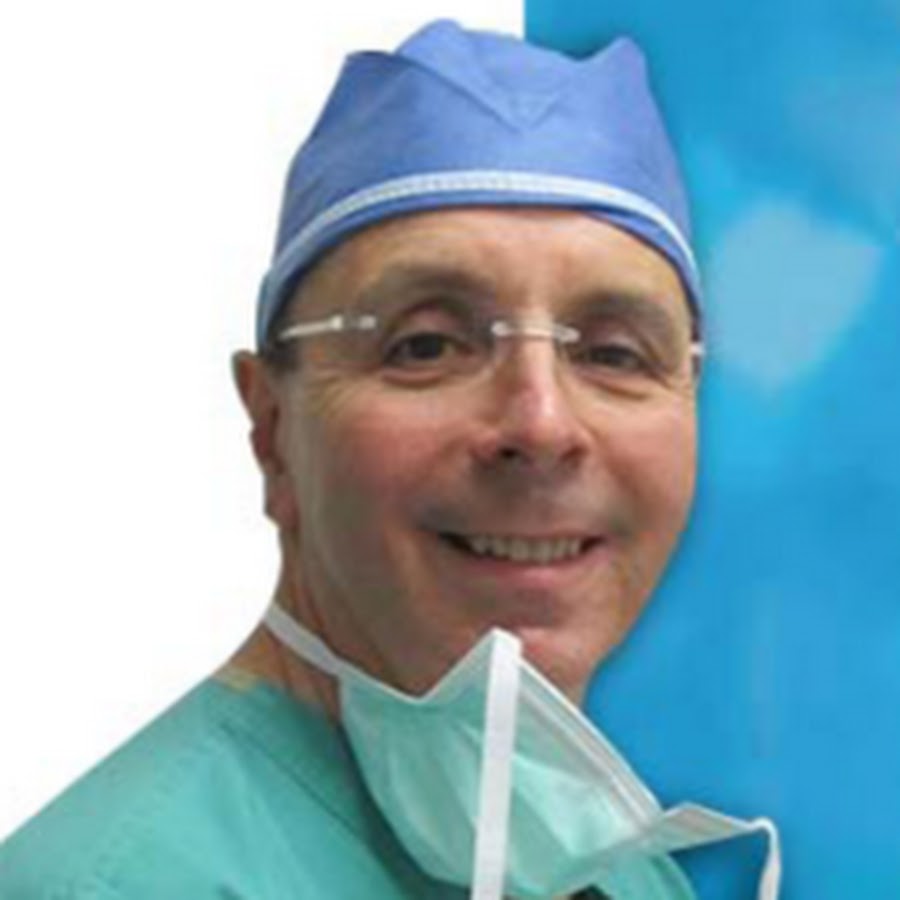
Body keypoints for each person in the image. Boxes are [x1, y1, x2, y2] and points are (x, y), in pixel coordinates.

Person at [0, 19, 779, 900]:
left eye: (614, 353)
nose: (542, 423)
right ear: (271, 428)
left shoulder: (612, 867)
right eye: (426, 345)